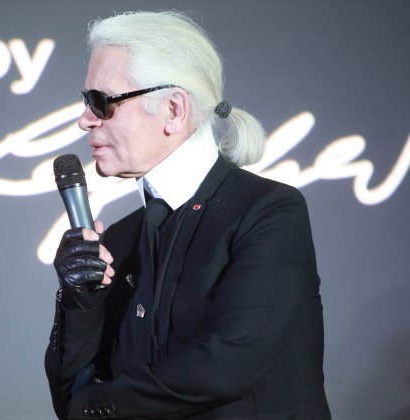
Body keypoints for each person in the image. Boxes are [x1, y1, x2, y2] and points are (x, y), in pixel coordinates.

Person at [45, 10, 330, 419]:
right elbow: (70, 399)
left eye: (101, 102)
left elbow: (222, 369)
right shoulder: (119, 240)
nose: (84, 120)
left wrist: (93, 405)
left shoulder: (268, 213)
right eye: (86, 102)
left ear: (174, 110)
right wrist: (79, 305)